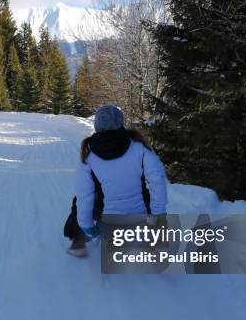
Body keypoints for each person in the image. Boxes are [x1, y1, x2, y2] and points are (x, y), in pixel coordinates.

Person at [64, 105, 168, 257]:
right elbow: (157, 182)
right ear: (121, 123)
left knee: (79, 201)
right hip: (140, 212)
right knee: (141, 190)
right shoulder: (140, 147)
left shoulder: (89, 155)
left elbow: (84, 195)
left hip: (104, 215)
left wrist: (87, 227)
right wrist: (159, 215)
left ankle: (78, 243)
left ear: (97, 126)